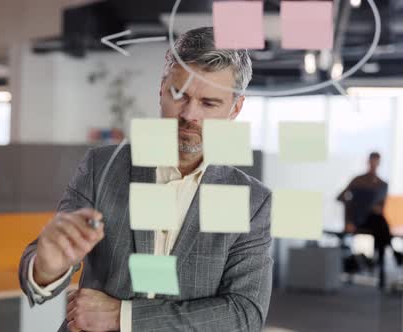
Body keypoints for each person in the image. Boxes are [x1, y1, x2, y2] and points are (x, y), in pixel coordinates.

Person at [19, 27, 272, 331]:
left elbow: (244, 314)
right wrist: (46, 268)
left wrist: (122, 316)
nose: (190, 114)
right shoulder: (102, 167)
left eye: (208, 103)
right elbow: (43, 267)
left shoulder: (251, 202)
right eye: (179, 95)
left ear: (236, 108)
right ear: (162, 89)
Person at [337, 152, 402, 286]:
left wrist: (377, 208)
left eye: (376, 161)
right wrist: (349, 219)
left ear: (379, 163)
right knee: (382, 227)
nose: (374, 164)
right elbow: (341, 197)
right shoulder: (358, 180)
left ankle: (382, 261)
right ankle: (394, 256)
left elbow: (381, 207)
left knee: (380, 224)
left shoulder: (382, 184)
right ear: (368, 162)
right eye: (372, 161)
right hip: (359, 220)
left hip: (374, 221)